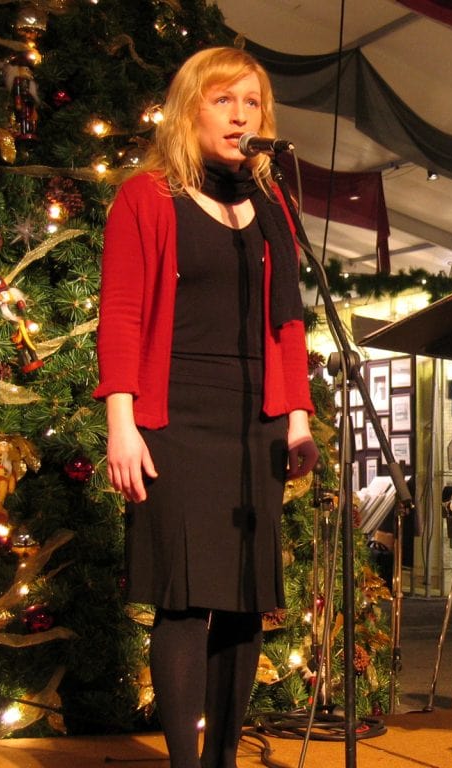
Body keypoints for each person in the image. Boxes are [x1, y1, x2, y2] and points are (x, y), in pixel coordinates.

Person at [94, 47, 319, 768]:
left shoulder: (272, 203)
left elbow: (288, 321)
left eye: (251, 103)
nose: (240, 115)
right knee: (187, 601)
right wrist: (121, 424)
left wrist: (298, 416)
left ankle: (222, 759)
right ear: (191, 108)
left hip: (255, 419)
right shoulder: (145, 196)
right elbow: (123, 316)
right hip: (175, 415)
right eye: (224, 100)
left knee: (246, 597)